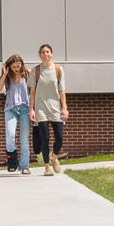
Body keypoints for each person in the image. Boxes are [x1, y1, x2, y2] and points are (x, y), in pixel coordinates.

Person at [30, 43, 69, 175]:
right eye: (43, 52)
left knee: (60, 137)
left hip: (55, 108)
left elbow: (62, 90)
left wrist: (64, 108)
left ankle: (54, 157)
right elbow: (32, 92)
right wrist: (31, 109)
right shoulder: (36, 71)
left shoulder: (58, 69)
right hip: (40, 108)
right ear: (40, 55)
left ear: (51, 54)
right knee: (45, 138)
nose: (45, 54)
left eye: (47, 51)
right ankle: (47, 167)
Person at [0, 53, 33, 176]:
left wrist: (33, 109)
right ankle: (12, 159)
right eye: (14, 67)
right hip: (11, 108)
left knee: (24, 138)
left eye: (18, 66)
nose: (16, 69)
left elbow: (33, 91)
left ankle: (24, 166)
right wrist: (4, 74)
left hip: (25, 109)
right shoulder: (7, 77)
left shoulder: (27, 74)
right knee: (10, 135)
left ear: (22, 64)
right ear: (9, 67)